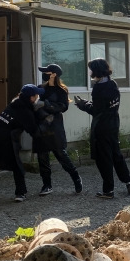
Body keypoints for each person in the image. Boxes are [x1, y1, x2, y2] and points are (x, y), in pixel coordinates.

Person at [74, 58, 130, 198]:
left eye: (91, 68)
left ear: (96, 70)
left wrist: (83, 105)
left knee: (104, 159)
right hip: (114, 124)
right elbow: (105, 106)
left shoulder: (98, 87)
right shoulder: (112, 83)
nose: (89, 71)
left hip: (101, 127)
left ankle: (108, 191)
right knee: (116, 155)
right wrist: (88, 103)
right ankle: (129, 183)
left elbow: (97, 110)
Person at [33, 64, 82, 196]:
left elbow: (63, 107)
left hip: (54, 126)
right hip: (41, 126)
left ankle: (76, 178)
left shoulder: (62, 90)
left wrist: (46, 105)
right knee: (42, 157)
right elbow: (34, 105)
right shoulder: (40, 88)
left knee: (61, 155)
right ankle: (46, 185)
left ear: (54, 74)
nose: (44, 74)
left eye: (47, 72)